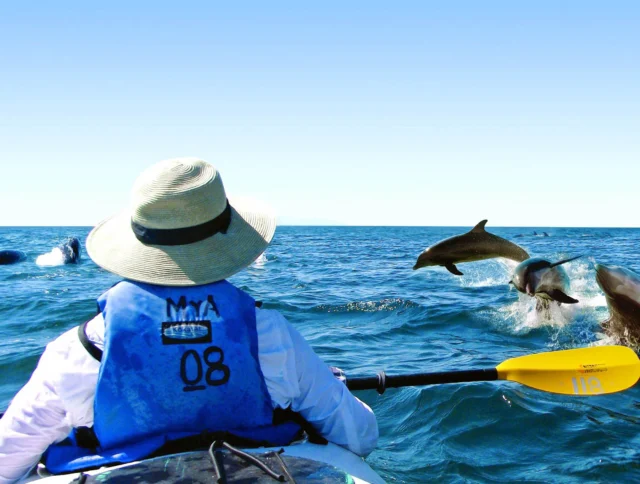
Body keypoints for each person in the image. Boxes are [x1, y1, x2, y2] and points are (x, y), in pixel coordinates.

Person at [0, 157, 378, 482]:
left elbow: (6, 461)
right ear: (227, 237)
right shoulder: (270, 334)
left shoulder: (81, 349)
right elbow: (359, 437)